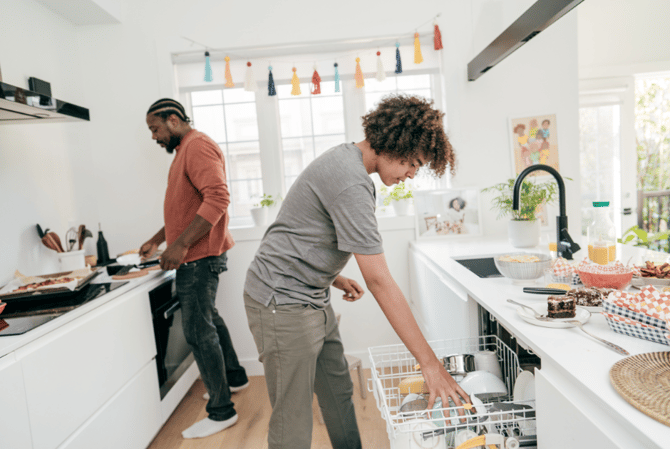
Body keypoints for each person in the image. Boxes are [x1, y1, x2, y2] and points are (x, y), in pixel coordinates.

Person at [243, 94, 471, 449]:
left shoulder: (347, 163)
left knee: (337, 390)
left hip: (311, 295)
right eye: (412, 162)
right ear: (395, 145)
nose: (412, 174)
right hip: (281, 301)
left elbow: (300, 228)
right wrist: (430, 365)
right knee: (294, 418)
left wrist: (332, 276)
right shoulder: (351, 182)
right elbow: (379, 280)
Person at [140, 98, 248, 439]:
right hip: (197, 253)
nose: (154, 137)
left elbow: (217, 198)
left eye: (155, 128)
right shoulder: (184, 150)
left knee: (199, 332)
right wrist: (159, 239)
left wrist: (182, 245)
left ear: (173, 120)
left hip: (199, 257)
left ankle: (221, 411)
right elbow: (185, 207)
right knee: (209, 319)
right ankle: (234, 377)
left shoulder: (197, 146)